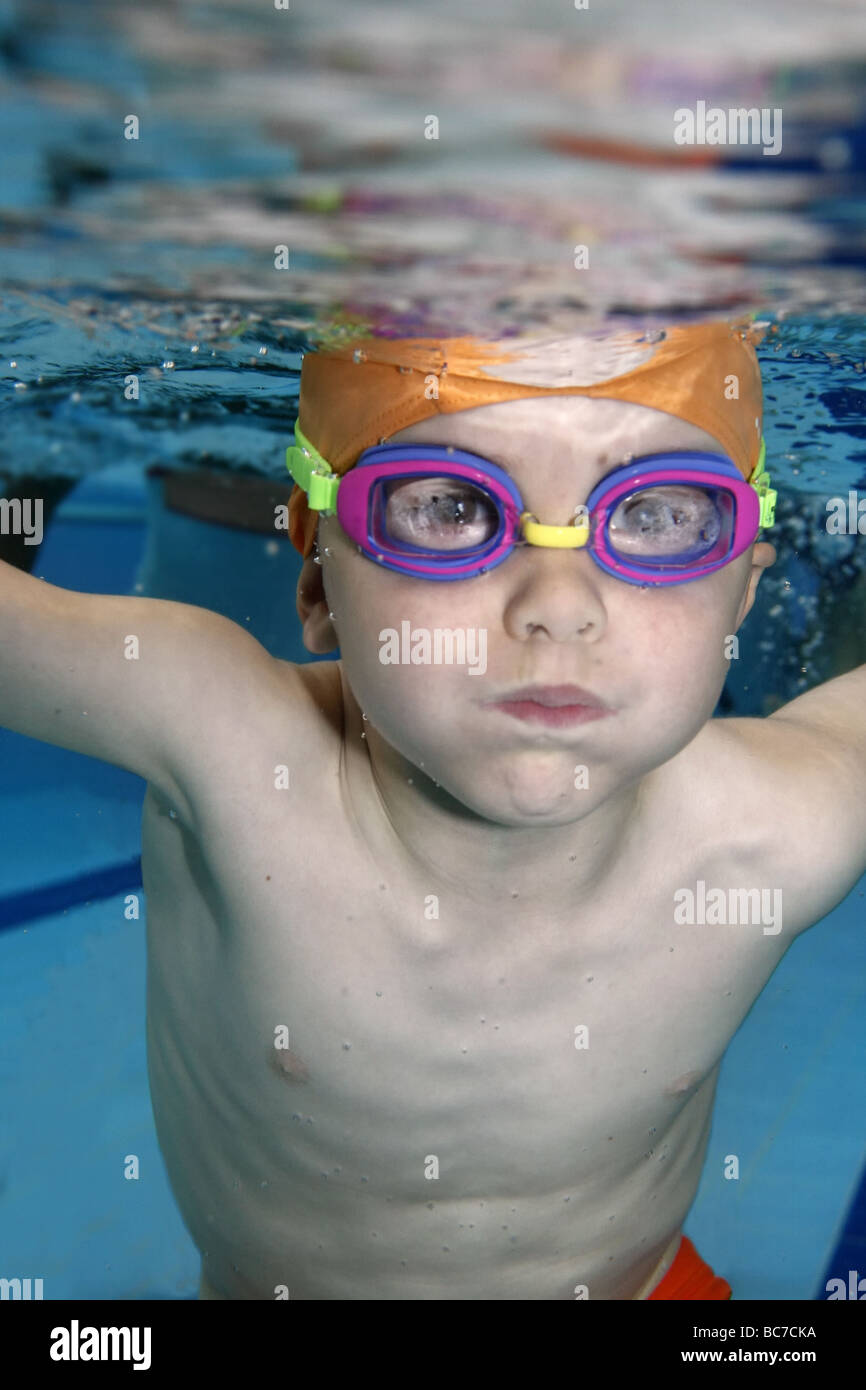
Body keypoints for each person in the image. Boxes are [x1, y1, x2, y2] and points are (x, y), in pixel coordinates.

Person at [2, 317, 864, 1300]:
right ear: (318, 574)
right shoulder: (224, 742)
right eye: (450, 505)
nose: (558, 605)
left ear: (743, 590)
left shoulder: (775, 830)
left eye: (660, 514)